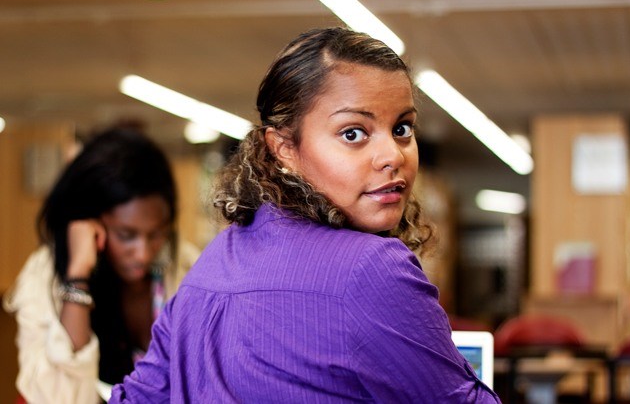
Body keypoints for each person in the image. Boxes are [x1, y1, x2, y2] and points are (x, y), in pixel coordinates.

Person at [109, 27, 500, 403]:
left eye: (402, 128)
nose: (393, 156)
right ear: (284, 148)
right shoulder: (372, 269)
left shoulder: (213, 263)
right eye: (353, 133)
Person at [3, 125, 200, 403]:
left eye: (156, 234)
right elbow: (55, 398)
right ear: (90, 221)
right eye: (126, 235)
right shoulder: (43, 275)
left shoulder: (187, 266)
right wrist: (78, 276)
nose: (143, 254)